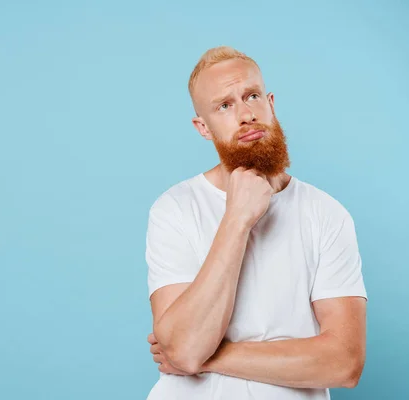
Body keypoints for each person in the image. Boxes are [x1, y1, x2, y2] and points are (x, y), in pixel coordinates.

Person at [144, 46, 368, 400]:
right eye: (224, 105)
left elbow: (345, 363)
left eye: (252, 96)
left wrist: (207, 357)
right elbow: (183, 348)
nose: (246, 114)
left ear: (272, 103)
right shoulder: (174, 208)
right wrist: (237, 218)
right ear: (203, 127)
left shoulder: (326, 213)